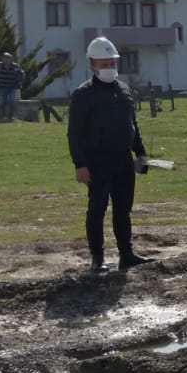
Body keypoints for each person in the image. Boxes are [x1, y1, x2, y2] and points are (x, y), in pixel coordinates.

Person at [68, 37, 153, 273]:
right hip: (97, 160)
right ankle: (97, 258)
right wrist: (80, 164)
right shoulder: (83, 94)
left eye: (111, 63)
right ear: (93, 65)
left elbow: (132, 124)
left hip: (123, 159)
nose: (108, 68)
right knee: (97, 209)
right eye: (103, 64)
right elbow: (74, 133)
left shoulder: (125, 90)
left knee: (123, 210)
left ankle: (126, 254)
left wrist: (141, 153)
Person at [0, 52, 25, 120]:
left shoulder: (15, 66)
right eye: (5, 58)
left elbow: (22, 74)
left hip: (12, 87)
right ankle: (3, 115)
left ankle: (10, 116)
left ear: (11, 60)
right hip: (1, 86)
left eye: (8, 59)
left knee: (12, 101)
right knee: (2, 102)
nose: (7, 60)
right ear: (2, 59)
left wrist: (19, 81)